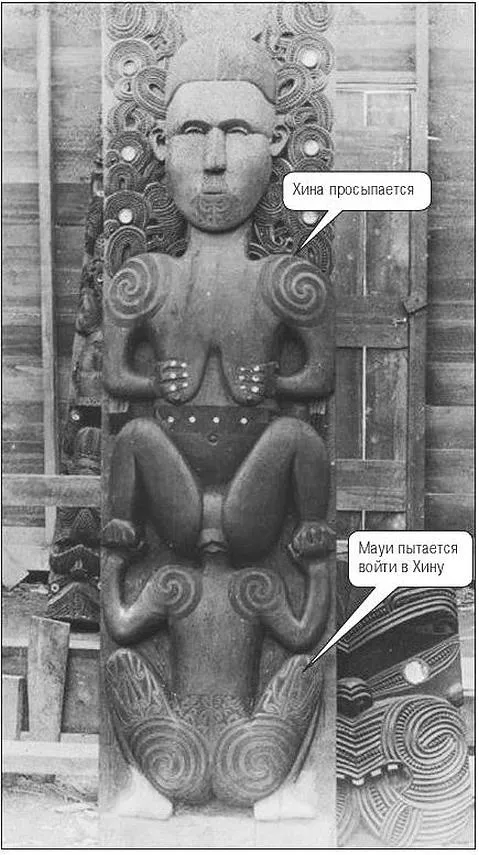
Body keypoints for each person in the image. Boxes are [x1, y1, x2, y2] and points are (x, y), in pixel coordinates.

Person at [102, 36, 334, 818]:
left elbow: (317, 378)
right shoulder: (143, 278)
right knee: (132, 436)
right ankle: (148, 774)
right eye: (193, 132)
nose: (211, 162)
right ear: (158, 143)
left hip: (252, 507)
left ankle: (277, 773)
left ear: (277, 140)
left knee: (299, 437)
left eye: (236, 132)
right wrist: (147, 384)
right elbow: (116, 378)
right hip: (169, 503)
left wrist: (278, 384)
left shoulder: (286, 280)